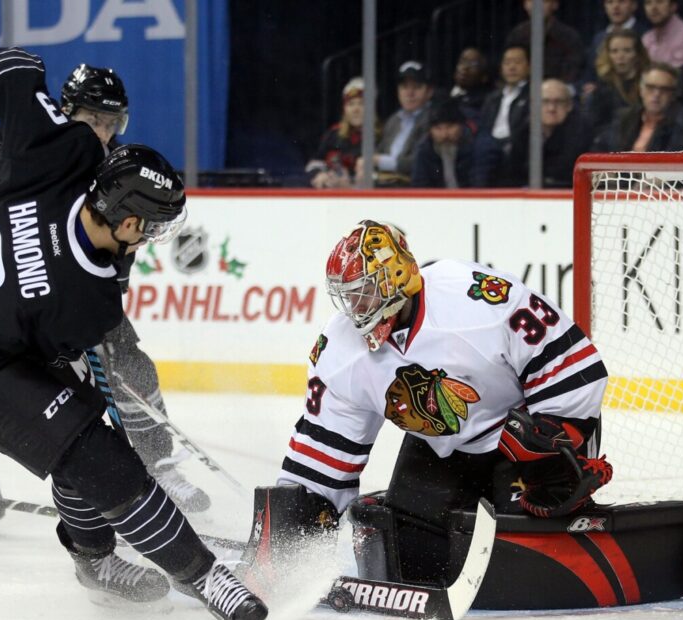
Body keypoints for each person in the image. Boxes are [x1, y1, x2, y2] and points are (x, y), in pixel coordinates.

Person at [0, 47, 268, 620]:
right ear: (127, 222)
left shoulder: (62, 150)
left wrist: (14, 66)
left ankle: (96, 556)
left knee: (77, 429)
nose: (149, 236)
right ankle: (201, 576)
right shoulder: (89, 298)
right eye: (150, 226)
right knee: (91, 452)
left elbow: (8, 69)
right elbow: (49, 346)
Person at [0, 64, 211, 521]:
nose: (106, 132)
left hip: (52, 292)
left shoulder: (114, 169)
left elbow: (113, 254)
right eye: (95, 119)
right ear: (64, 111)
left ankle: (157, 464)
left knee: (124, 357)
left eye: (114, 122)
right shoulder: (16, 137)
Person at [246, 221, 610, 585]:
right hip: (444, 450)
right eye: (348, 296)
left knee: (524, 543)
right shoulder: (340, 348)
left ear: (397, 279)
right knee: (408, 546)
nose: (355, 307)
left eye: (365, 292)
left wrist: (562, 440)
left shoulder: (476, 300)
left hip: (515, 443)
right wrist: (302, 515)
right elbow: (325, 444)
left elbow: (574, 366)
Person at [356, 61, 434, 187]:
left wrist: (378, 161)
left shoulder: (432, 119)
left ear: (429, 92)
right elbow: (378, 151)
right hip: (385, 183)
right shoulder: (394, 120)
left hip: (411, 188)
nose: (410, 93)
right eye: (404, 87)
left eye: (416, 87)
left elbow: (418, 161)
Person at [506, 79, 591, 188]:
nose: (551, 108)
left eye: (558, 102)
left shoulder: (581, 134)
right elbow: (511, 175)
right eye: (545, 101)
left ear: (569, 106)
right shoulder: (522, 133)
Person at [593, 61, 683, 152]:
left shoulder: (682, 125)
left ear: (673, 95)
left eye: (664, 89)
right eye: (650, 87)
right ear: (641, 89)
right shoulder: (624, 119)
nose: (656, 94)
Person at [473, 44, 531, 187]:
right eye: (507, 63)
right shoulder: (493, 98)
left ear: (529, 67)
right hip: (490, 146)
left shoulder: (532, 95)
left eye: (517, 62)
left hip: (514, 148)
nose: (512, 67)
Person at [306, 77, 377, 189]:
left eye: (361, 103)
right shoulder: (333, 134)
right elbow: (313, 164)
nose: (355, 109)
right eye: (351, 104)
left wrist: (350, 186)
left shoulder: (379, 136)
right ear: (344, 109)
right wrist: (319, 174)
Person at [584, 28, 651, 138]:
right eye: (614, 51)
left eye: (627, 50)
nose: (620, 56)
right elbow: (594, 127)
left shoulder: (649, 85)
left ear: (637, 54)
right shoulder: (602, 89)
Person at [505, 0, 585, 84]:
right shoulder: (517, 35)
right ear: (525, 5)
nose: (536, 6)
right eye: (531, 1)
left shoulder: (569, 37)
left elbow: (573, 73)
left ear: (555, 4)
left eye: (543, 1)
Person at [584, 0, 650, 87]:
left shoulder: (646, 36)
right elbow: (590, 73)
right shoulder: (598, 38)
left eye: (621, 2)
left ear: (634, 5)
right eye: (610, 2)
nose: (615, 7)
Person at [410, 99, 474, 188]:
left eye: (450, 127)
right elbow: (419, 186)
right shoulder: (424, 149)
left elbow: (480, 185)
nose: (444, 135)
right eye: (438, 128)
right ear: (430, 130)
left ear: (461, 126)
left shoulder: (476, 148)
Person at [449, 48, 493, 132]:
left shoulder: (485, 101)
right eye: (463, 61)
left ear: (484, 77)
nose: (465, 67)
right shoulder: (444, 94)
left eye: (473, 64)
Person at [641, 0, 683, 68]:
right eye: (648, 3)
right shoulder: (646, 38)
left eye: (660, 2)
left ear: (673, 6)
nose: (653, 8)